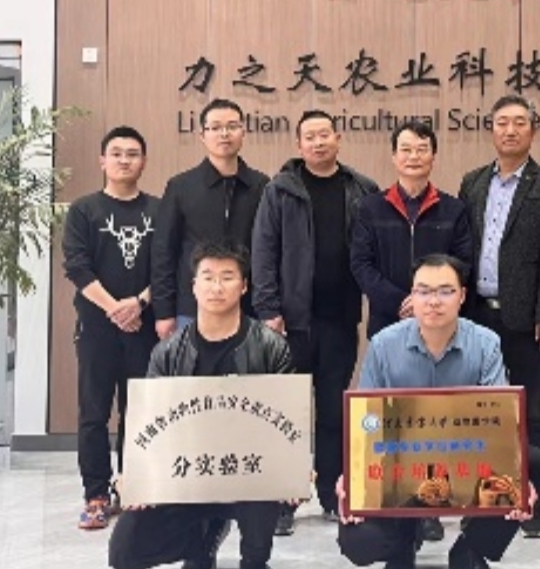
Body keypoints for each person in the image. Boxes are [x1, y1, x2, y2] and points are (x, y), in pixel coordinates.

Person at [336, 254, 540, 569]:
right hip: (401, 464)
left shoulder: (486, 344)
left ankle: (470, 552)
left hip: (466, 459)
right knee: (359, 541)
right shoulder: (384, 345)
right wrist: (351, 476)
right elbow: (365, 423)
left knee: (534, 465)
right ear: (411, 296)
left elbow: (499, 424)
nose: (433, 301)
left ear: (462, 296)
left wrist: (515, 474)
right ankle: (401, 544)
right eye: (423, 291)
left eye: (445, 291)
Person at [107, 240, 292, 569]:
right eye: (207, 277)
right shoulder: (167, 352)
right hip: (186, 475)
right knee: (124, 553)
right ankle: (202, 539)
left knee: (265, 475)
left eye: (227, 277)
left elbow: (285, 428)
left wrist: (294, 472)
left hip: (248, 476)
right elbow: (150, 427)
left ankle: (254, 565)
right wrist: (133, 477)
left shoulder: (271, 347)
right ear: (193, 286)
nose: (216, 286)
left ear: (244, 286)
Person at [251, 110, 378, 534]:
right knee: (286, 414)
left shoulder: (361, 188)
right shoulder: (280, 190)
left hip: (340, 319)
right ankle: (282, 500)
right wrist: (268, 309)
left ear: (338, 138)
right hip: (290, 323)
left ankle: (330, 492)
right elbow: (263, 251)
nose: (318, 142)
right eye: (310, 136)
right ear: (299, 144)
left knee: (332, 413)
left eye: (325, 134)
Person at [350, 119, 473, 543]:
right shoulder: (371, 208)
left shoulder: (454, 209)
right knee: (394, 416)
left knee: (434, 416)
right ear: (393, 156)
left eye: (421, 148)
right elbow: (360, 264)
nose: (413, 156)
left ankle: (431, 506)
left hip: (441, 326)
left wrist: (429, 302)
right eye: (405, 149)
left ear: (433, 155)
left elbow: (463, 262)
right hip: (390, 322)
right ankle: (396, 496)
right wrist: (402, 302)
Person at [458, 94, 540, 537]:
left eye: (519, 123)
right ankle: (481, 497)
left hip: (528, 320)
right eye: (502, 122)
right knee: (480, 411)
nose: (510, 130)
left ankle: (533, 503)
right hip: (476, 316)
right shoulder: (472, 182)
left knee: (532, 412)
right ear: (491, 129)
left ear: (533, 130)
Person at [62, 126, 161, 531]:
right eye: (116, 153)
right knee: (94, 413)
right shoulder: (84, 210)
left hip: (145, 328)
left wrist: (139, 304)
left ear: (144, 161)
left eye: (132, 153)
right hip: (97, 330)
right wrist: (116, 309)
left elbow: (167, 268)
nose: (124, 160)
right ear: (102, 160)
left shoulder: (159, 211)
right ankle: (96, 495)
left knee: (140, 414)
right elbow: (77, 267)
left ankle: (134, 488)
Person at [150, 98, 269, 339]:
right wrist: (164, 311)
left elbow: (270, 250)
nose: (224, 134)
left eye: (232, 126)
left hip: (249, 307)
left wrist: (269, 307)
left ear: (243, 132)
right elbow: (164, 252)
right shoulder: (181, 186)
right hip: (191, 308)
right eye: (215, 127)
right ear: (202, 136)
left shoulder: (262, 186)